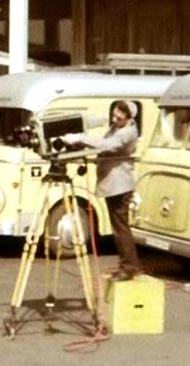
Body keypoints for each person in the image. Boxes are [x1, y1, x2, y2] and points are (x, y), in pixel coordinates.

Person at [63, 100, 140, 281]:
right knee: (118, 226)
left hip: (120, 185)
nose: (114, 120)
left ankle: (129, 267)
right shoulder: (118, 128)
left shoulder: (128, 132)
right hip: (113, 184)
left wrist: (80, 138)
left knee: (120, 227)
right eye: (113, 115)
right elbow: (102, 143)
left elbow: (108, 145)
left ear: (129, 119)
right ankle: (129, 264)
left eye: (119, 118)